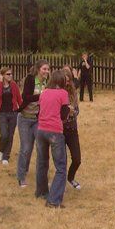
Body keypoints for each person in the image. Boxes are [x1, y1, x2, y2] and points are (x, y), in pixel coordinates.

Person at [36, 70, 70, 208]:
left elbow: (39, 110)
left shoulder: (44, 92)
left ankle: (41, 192)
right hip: (55, 131)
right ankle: (54, 200)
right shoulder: (63, 93)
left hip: (40, 130)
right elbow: (63, 115)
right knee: (61, 167)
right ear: (62, 81)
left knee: (42, 162)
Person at [17, 59, 50, 188]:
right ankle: (21, 176)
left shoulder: (47, 82)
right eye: (44, 69)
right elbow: (26, 97)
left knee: (41, 148)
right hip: (25, 118)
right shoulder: (30, 79)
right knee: (26, 148)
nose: (46, 71)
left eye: (48, 69)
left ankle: (42, 177)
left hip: (38, 119)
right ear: (38, 69)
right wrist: (41, 96)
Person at [0, 67, 22, 166]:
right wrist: (0, 82)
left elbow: (19, 98)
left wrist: (22, 109)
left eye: (11, 74)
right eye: (8, 74)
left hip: (13, 113)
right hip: (2, 113)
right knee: (4, 135)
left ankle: (6, 156)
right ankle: (1, 150)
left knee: (10, 135)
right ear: (2, 75)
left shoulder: (14, 85)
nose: (10, 76)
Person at [62, 65, 82, 190]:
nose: (67, 83)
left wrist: (72, 112)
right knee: (61, 160)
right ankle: (60, 183)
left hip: (72, 128)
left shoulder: (73, 92)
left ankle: (70, 177)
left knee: (77, 159)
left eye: (69, 80)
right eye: (65, 80)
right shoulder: (57, 92)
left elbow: (77, 110)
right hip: (60, 129)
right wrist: (65, 113)